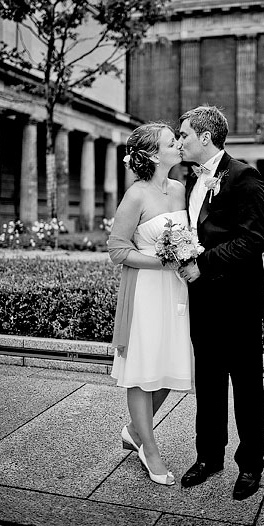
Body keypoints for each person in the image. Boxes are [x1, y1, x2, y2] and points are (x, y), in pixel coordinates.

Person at [178, 105, 264, 501]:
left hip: (239, 301)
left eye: (183, 135)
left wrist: (202, 264)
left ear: (204, 136)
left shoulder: (243, 176)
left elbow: (255, 240)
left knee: (246, 385)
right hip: (202, 301)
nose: (179, 141)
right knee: (208, 382)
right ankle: (208, 456)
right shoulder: (190, 180)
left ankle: (250, 465)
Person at [109, 123, 193, 487]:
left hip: (176, 292)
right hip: (145, 291)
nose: (179, 144)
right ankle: (149, 449)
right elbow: (117, 249)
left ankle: (133, 429)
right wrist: (163, 261)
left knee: (171, 368)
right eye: (172, 142)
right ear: (155, 155)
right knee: (142, 370)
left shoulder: (180, 188)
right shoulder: (136, 195)